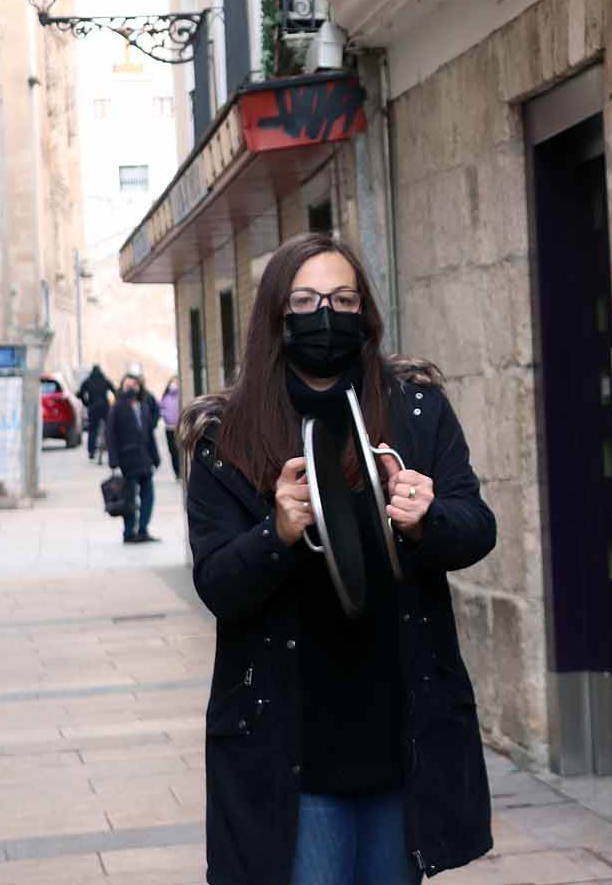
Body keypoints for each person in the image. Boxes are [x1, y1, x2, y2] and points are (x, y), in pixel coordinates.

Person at [180, 233, 496, 885]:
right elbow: (216, 582)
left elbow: (477, 526)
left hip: (398, 737)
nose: (326, 314)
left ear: (365, 311)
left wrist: (426, 518)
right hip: (291, 751)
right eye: (305, 300)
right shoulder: (228, 437)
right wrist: (278, 530)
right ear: (275, 315)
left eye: (342, 298)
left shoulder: (414, 408)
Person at [106, 372, 162, 544]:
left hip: (144, 458)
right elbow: (111, 435)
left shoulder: (143, 406)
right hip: (127, 460)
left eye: (134, 385)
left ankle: (143, 529)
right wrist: (114, 460)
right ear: (122, 388)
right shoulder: (117, 407)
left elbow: (149, 434)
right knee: (129, 498)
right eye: (128, 386)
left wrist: (155, 456)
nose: (131, 389)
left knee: (148, 496)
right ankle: (129, 532)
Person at [78, 364, 115, 462]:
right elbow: (114, 390)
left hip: (93, 408)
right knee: (108, 429)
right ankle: (110, 448)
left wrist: (86, 403)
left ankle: (91, 451)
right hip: (104, 408)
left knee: (92, 430)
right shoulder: (104, 380)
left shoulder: (88, 381)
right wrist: (113, 404)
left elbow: (80, 393)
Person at [159, 377, 183, 478]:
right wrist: (164, 415)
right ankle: (177, 472)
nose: (173, 385)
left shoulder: (181, 396)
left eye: (175, 383)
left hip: (178, 428)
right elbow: (161, 409)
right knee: (172, 451)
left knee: (179, 450)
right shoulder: (165, 397)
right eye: (172, 383)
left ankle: (182, 470)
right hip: (169, 428)